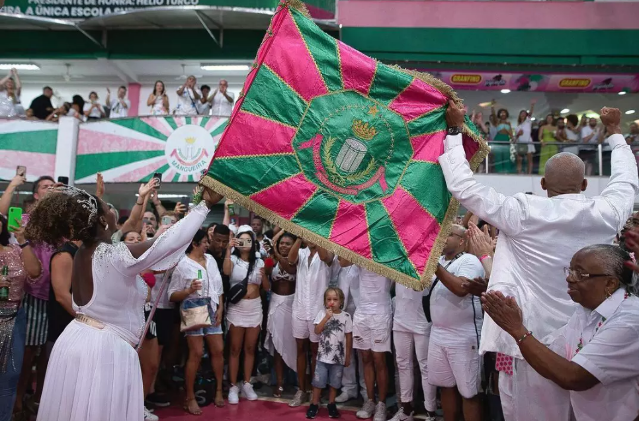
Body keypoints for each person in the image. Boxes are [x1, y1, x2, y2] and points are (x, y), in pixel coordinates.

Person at [438, 102, 637, 421]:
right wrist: (615, 132)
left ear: (543, 186)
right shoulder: (607, 213)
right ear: (585, 186)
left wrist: (452, 132)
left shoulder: (523, 212)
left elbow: (463, 187)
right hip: (594, 342)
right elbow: (627, 181)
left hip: (530, 342)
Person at [26, 185, 220, 421]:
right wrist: (204, 206)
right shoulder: (110, 254)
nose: (112, 211)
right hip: (102, 349)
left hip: (78, 338)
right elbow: (164, 244)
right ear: (100, 219)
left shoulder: (84, 252)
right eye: (108, 207)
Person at [482, 244, 639, 421]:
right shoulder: (586, 311)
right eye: (569, 271)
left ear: (610, 283)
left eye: (580, 274)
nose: (569, 279)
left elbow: (574, 377)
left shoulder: (630, 320)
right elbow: (557, 348)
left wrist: (517, 330)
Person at [428, 225, 485, 421]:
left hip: (463, 335)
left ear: (462, 241)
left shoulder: (470, 261)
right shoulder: (442, 261)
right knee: (445, 386)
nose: (443, 237)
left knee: (469, 392)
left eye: (450, 234)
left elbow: (461, 288)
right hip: (438, 333)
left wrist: (433, 264)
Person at [169, 228, 225, 414]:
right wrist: (188, 291)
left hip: (213, 306)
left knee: (218, 349)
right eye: (204, 243)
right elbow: (172, 295)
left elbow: (219, 288)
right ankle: (190, 396)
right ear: (194, 244)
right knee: (197, 353)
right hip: (193, 307)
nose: (207, 246)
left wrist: (221, 307)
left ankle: (218, 390)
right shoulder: (182, 264)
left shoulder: (211, 261)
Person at [278, 238, 334, 407]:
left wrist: (318, 237)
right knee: (300, 350)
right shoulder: (301, 253)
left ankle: (315, 390)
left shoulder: (328, 251)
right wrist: (299, 237)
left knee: (316, 352)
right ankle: (301, 390)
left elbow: (325, 257)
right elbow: (290, 259)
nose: (310, 238)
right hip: (300, 309)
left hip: (318, 311)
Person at [0, 214, 42, 421]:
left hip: (15, 316)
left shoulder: (15, 250)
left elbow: (35, 272)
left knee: (10, 377)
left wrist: (23, 240)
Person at [223, 225, 267, 405]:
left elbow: (266, 288)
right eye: (242, 239)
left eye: (249, 239)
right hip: (237, 308)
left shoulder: (259, 261)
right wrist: (228, 248)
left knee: (250, 348)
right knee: (235, 349)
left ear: (254, 241)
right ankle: (233, 385)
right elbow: (226, 272)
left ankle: (247, 383)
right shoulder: (232, 259)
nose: (245, 243)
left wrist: (264, 276)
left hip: (255, 307)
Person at [343, 266, 392, 421]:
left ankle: (382, 404)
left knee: (379, 360)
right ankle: (370, 400)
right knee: (365, 358)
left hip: (381, 311)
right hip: (361, 311)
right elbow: (342, 261)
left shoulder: (387, 252)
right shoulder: (360, 253)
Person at [391, 277, 438, 421]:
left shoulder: (426, 261)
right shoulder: (398, 260)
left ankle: (431, 412)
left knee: (425, 367)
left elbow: (427, 290)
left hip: (421, 321)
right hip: (400, 319)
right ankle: (406, 410)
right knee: (402, 364)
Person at [306, 287, 353, 420]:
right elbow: (317, 330)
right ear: (325, 301)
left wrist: (348, 355)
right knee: (318, 382)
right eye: (329, 299)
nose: (332, 302)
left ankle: (331, 404)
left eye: (335, 299)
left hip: (338, 358)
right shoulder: (322, 314)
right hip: (322, 357)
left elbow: (348, 337)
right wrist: (326, 317)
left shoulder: (346, 317)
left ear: (341, 301)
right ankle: (314, 404)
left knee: (334, 382)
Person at [264, 230, 298, 397]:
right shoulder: (272, 258)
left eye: (287, 243)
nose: (284, 246)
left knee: (293, 344)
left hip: (292, 304)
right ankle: (279, 382)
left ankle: (299, 382)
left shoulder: (296, 260)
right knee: (277, 345)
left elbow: (290, 270)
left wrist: (275, 249)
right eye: (282, 243)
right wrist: (271, 252)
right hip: (276, 303)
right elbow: (268, 270)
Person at [335, 261, 366, 404]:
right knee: (346, 351)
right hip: (344, 307)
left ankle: (366, 390)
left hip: (364, 308)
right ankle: (349, 388)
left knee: (363, 352)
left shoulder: (365, 253)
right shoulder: (339, 254)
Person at [489, 102, 514, 173]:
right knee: (498, 156)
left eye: (504, 113)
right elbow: (493, 115)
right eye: (501, 113)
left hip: (506, 138)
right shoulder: (497, 122)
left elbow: (511, 134)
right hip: (498, 138)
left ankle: (507, 171)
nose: (503, 114)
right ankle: (499, 171)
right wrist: (492, 107)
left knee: (506, 155)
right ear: (499, 114)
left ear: (506, 114)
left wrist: (513, 138)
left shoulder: (508, 123)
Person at [514, 99, 536, 175]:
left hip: (528, 142)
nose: (523, 114)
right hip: (520, 143)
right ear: (519, 115)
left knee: (529, 159)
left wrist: (532, 105)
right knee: (519, 159)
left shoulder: (528, 121)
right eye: (521, 113)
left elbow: (530, 114)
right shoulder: (517, 127)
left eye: (524, 113)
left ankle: (529, 173)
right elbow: (514, 139)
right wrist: (518, 134)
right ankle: (519, 173)